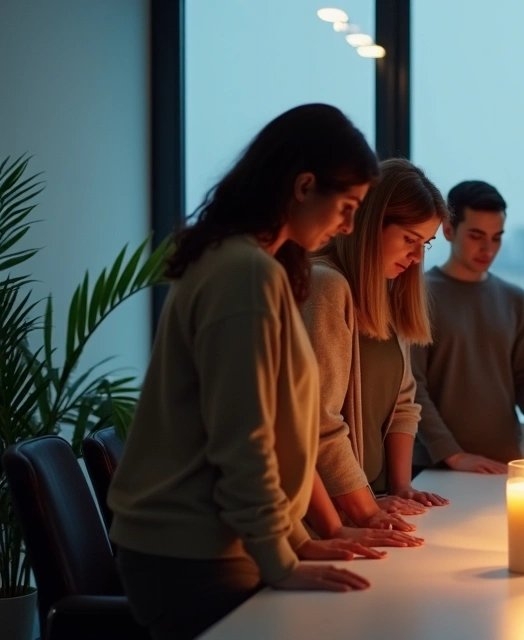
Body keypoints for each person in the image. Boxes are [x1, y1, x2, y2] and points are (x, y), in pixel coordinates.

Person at [108, 104, 383, 640]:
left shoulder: (252, 263)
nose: (349, 225)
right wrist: (279, 560)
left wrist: (297, 543)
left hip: (212, 545)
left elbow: (275, 430)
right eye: (347, 206)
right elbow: (243, 438)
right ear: (305, 186)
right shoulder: (244, 273)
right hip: (193, 554)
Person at [303, 157, 451, 539]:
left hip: (362, 499)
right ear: (371, 226)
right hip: (323, 516)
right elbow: (318, 422)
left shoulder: (382, 295)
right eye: (409, 240)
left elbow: (404, 403)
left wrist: (400, 488)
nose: (418, 258)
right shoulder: (326, 286)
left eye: (426, 244)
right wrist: (364, 509)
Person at [411, 181, 524, 473]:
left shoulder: (516, 300)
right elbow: (413, 388)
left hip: (502, 465)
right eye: (476, 235)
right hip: (433, 467)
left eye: (496, 237)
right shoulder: (417, 295)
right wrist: (453, 455)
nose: (488, 248)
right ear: (449, 230)